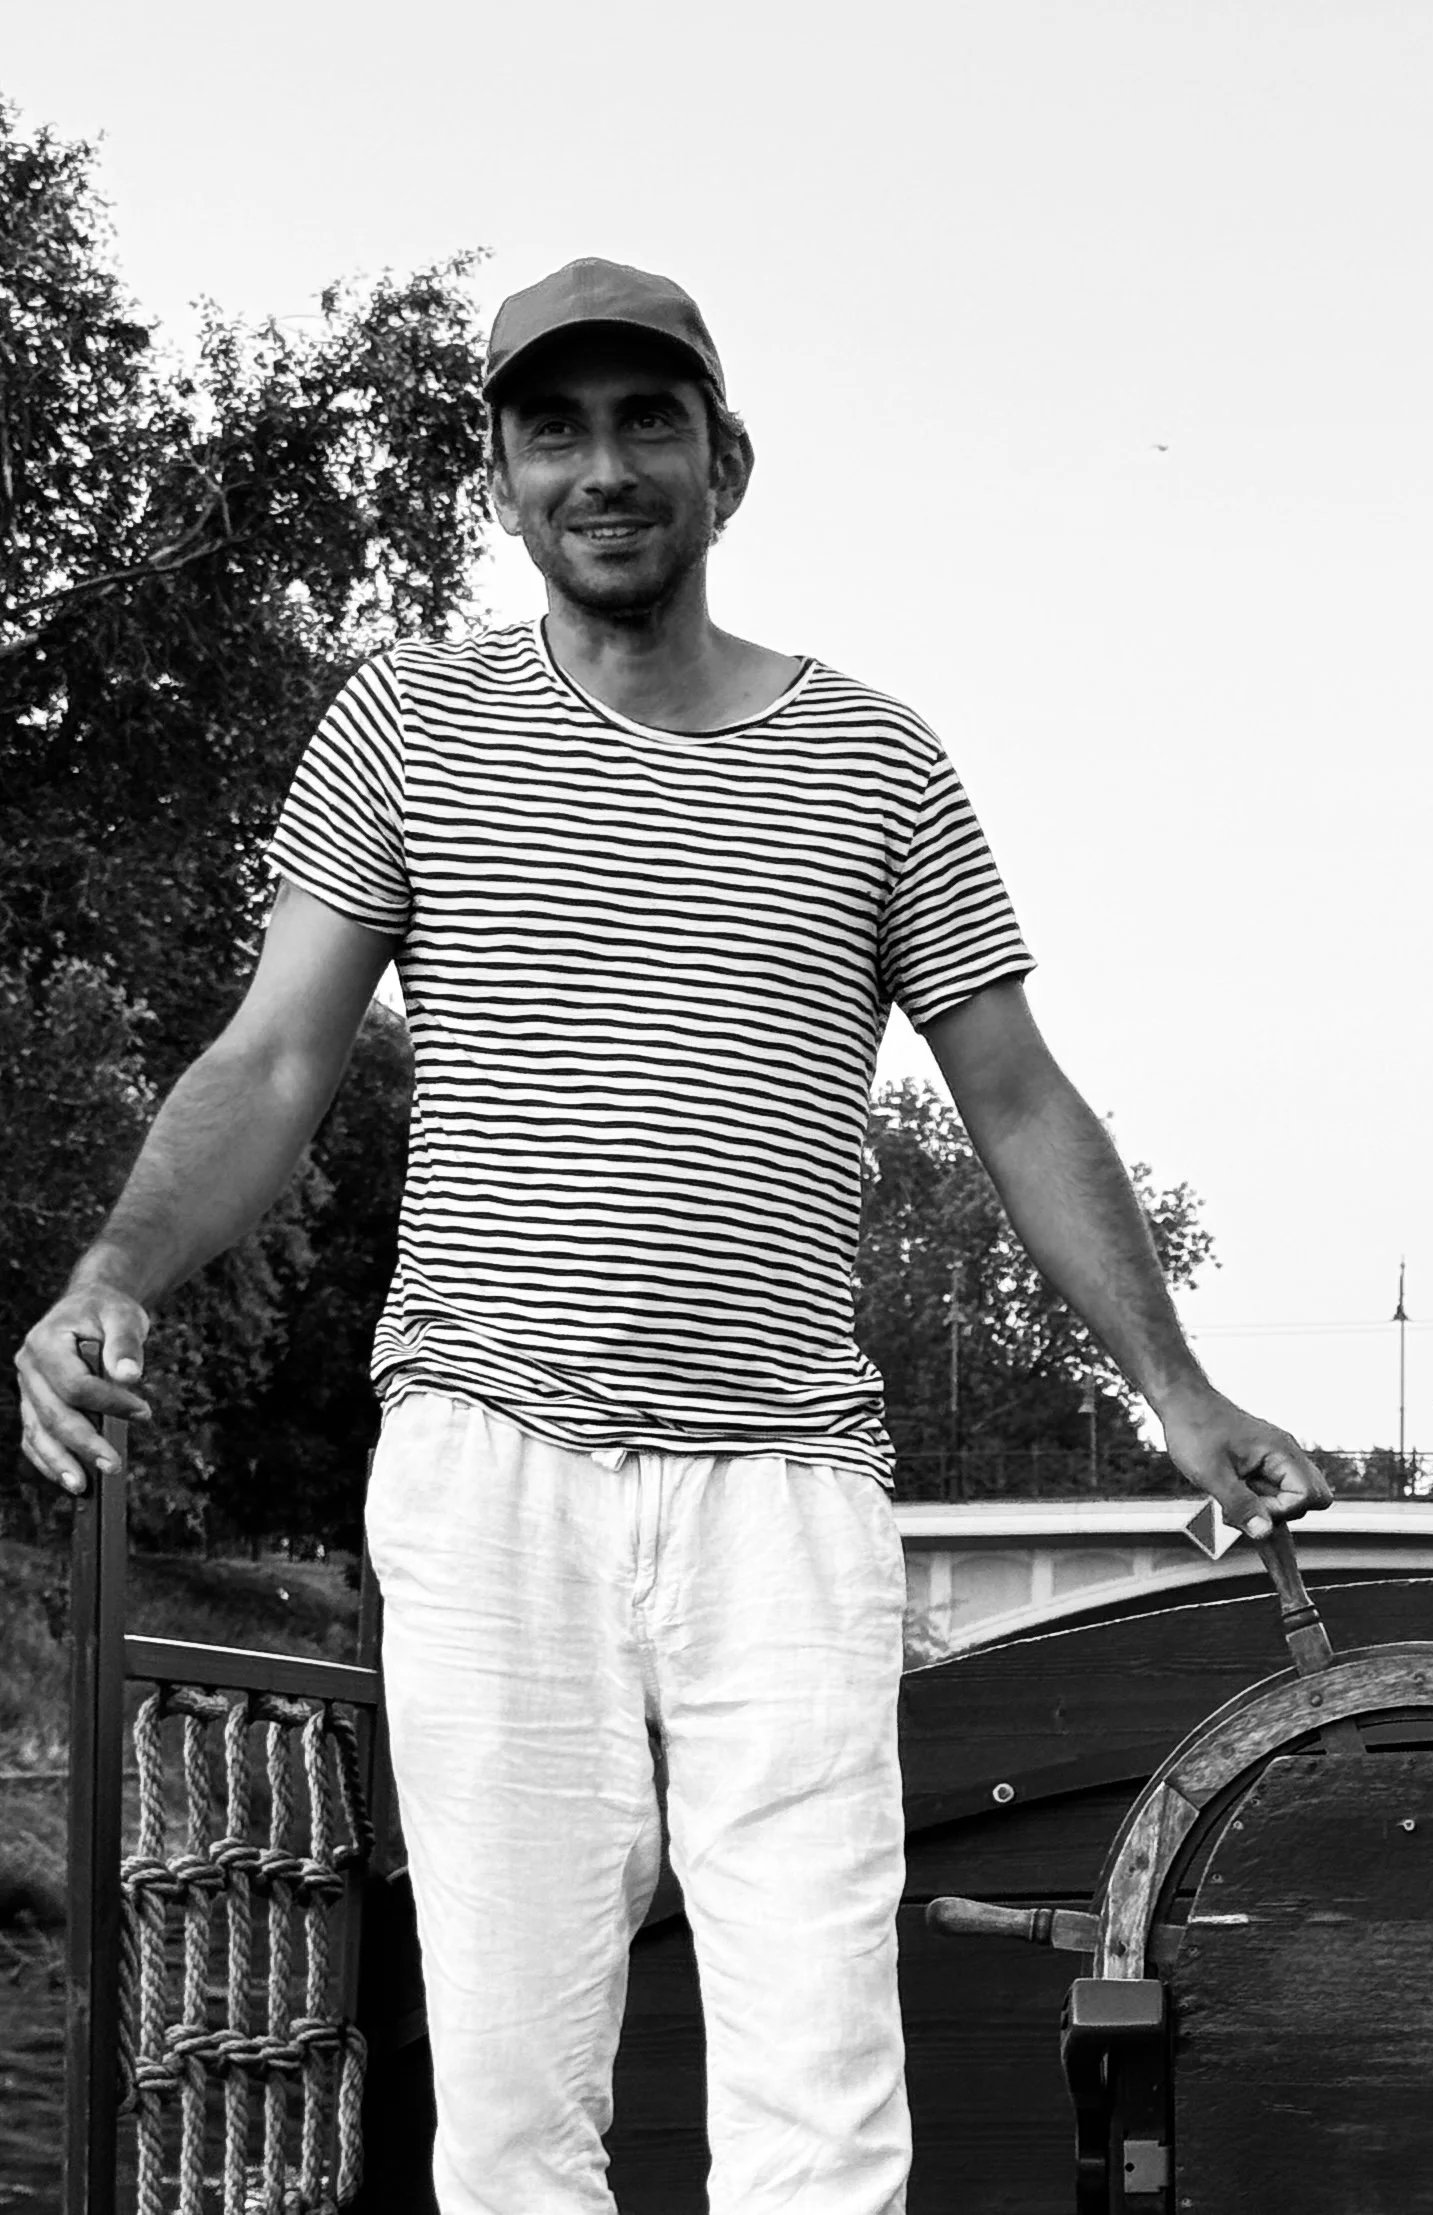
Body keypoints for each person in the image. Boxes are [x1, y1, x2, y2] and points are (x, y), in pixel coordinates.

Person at [14, 257, 1332, 2215]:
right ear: (496, 478)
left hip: (782, 1490)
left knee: (817, 2098)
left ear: (727, 461)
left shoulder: (875, 761)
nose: (602, 468)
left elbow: (1018, 1095)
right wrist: (114, 1270)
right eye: (555, 429)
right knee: (515, 2103)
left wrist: (1174, 1386)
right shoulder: (408, 726)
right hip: (486, 1471)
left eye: (647, 423)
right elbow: (278, 1058)